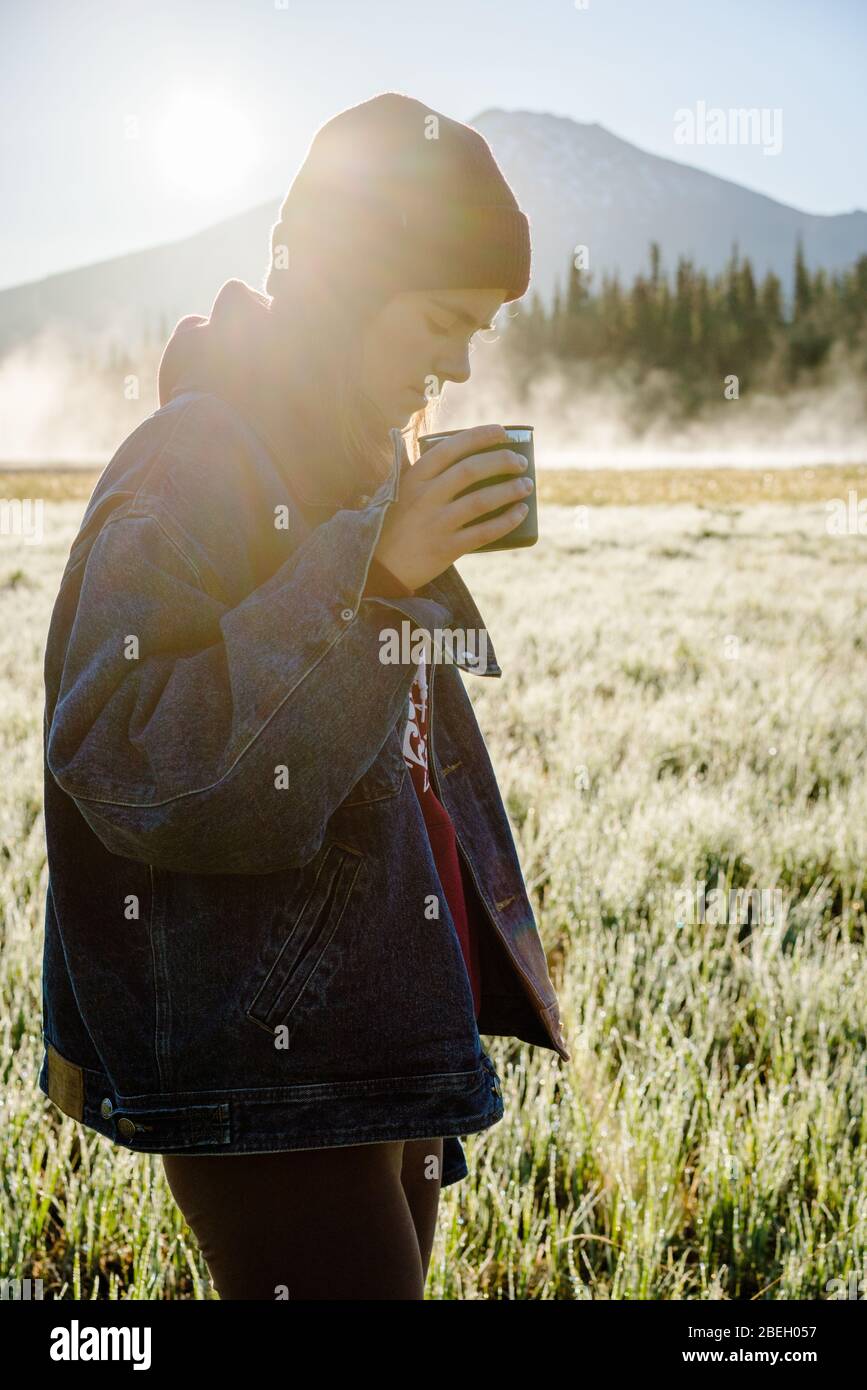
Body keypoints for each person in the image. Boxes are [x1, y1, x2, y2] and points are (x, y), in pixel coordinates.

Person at [39, 91, 570, 1301]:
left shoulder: (352, 454)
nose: (462, 361)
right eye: (444, 318)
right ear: (345, 285)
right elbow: (130, 759)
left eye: (480, 330)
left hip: (382, 1017)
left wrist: (400, 565)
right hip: (264, 1049)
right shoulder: (195, 459)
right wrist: (376, 573)